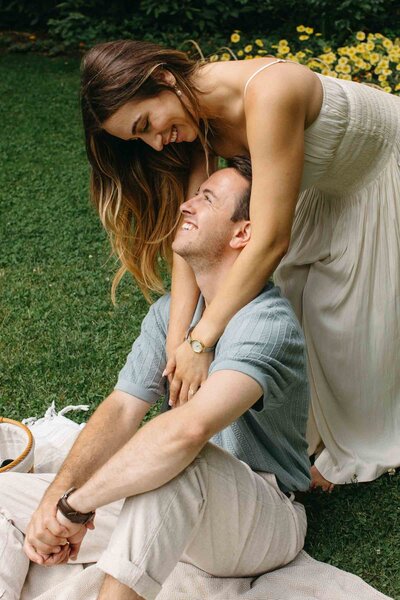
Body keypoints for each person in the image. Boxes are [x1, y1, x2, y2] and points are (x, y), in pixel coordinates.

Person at [80, 39, 400, 489]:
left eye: (147, 123)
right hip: (324, 188)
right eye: (141, 138)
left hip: (380, 167)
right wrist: (178, 345)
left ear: (164, 79)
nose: (155, 143)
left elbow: (270, 241)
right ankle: (305, 438)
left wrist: (201, 341)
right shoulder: (195, 121)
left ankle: (354, 440)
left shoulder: (269, 92)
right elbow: (184, 239)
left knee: (346, 319)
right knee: (288, 301)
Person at [0, 160, 310, 600]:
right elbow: (123, 409)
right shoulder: (172, 313)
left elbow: (187, 432)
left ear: (243, 233)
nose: (186, 205)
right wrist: (56, 500)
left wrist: (76, 506)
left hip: (261, 516)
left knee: (177, 455)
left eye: (207, 199)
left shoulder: (267, 323)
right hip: (162, 502)